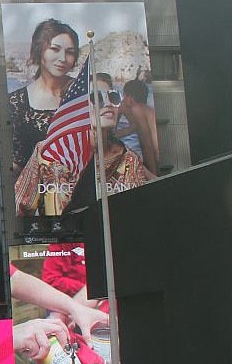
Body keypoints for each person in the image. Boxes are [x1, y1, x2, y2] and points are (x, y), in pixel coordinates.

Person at [16, 72, 152, 219]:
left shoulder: (129, 160)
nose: (107, 104)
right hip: (63, 240)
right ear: (74, 107)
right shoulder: (47, 152)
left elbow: (141, 213)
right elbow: (20, 208)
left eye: (113, 97)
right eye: (96, 97)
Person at [9, 18, 80, 172]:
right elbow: (16, 165)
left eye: (70, 52)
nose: (62, 58)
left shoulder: (84, 92)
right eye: (55, 49)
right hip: (40, 191)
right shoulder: (17, 102)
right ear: (39, 50)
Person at [117, 77, 159, 175]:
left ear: (130, 98)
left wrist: (154, 174)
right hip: (152, 155)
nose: (122, 100)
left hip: (154, 156)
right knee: (121, 172)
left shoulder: (137, 109)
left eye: (124, 96)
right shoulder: (146, 109)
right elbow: (133, 127)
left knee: (121, 173)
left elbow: (147, 145)